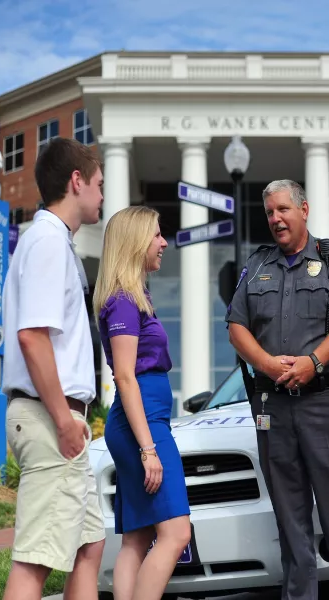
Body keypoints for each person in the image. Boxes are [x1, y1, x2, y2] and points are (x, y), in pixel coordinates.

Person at [225, 179, 329, 600]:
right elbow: (235, 326)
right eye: (270, 212)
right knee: (291, 528)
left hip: (324, 407)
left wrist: (313, 363)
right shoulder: (257, 265)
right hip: (273, 410)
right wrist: (266, 362)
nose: (276, 218)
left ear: (304, 209)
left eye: (283, 210)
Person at [1, 137, 105, 600]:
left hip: (58, 419)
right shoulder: (45, 240)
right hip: (51, 419)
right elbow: (32, 336)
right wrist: (64, 419)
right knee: (36, 562)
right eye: (99, 184)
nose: (103, 195)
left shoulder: (52, 241)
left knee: (89, 546)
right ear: (76, 181)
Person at [93, 205, 191, 600]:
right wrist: (148, 448)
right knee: (175, 532)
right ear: (135, 242)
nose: (164, 242)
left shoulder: (133, 296)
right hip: (141, 421)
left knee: (138, 537)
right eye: (156, 234)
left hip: (140, 418)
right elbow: (124, 375)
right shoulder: (121, 302)